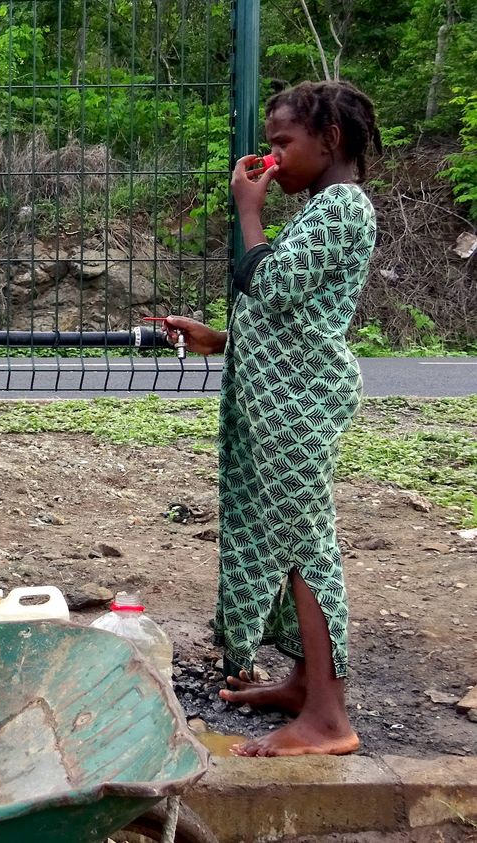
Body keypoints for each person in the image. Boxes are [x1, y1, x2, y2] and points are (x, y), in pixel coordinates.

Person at [163, 80, 380, 757]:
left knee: (308, 548)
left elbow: (277, 285)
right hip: (280, 398)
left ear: (330, 139)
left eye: (284, 143)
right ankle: (303, 682)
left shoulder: (343, 207)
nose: (274, 158)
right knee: (287, 542)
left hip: (303, 402)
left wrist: (247, 210)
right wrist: (219, 338)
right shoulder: (321, 209)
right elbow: (292, 315)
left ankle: (329, 717)